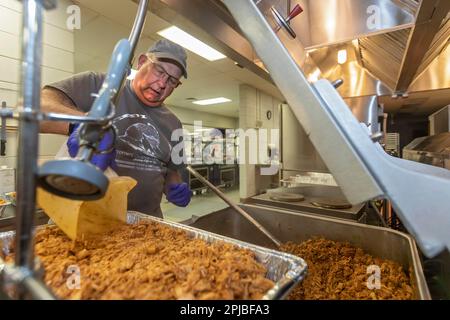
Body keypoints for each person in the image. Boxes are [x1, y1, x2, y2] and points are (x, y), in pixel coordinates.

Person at [40, 39, 192, 218]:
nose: (162, 84)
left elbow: (171, 172)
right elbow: (35, 108)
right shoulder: (100, 86)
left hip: (145, 228)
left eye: (172, 81)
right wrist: (81, 125)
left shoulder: (174, 124)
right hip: (83, 222)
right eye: (159, 71)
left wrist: (174, 188)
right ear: (142, 62)